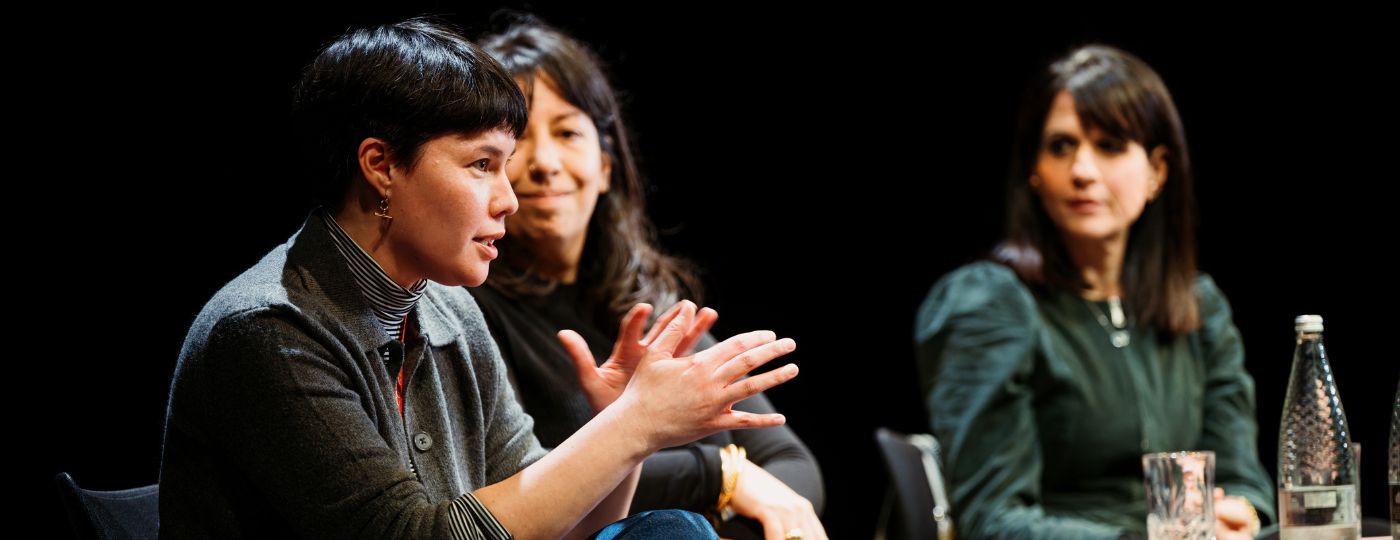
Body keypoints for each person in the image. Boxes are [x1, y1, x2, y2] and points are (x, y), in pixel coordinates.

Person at [157, 18, 803, 540]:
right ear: (381, 166)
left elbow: (561, 530)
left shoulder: (448, 310)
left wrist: (622, 436)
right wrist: (633, 426)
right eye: (482, 165)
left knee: (672, 531)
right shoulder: (268, 331)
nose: (510, 200)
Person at [466, 19, 827, 540]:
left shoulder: (642, 303)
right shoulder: (464, 305)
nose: (544, 163)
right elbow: (526, 477)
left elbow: (791, 463)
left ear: (606, 164)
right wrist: (723, 473)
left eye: (567, 132)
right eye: (519, 141)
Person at [914, 45, 1275, 540]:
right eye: (1061, 146)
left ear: (1157, 171)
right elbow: (993, 520)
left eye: (1109, 145)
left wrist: (1244, 517)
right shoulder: (989, 302)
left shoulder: (1198, 306)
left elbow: (1244, 481)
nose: (1082, 170)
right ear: (1034, 170)